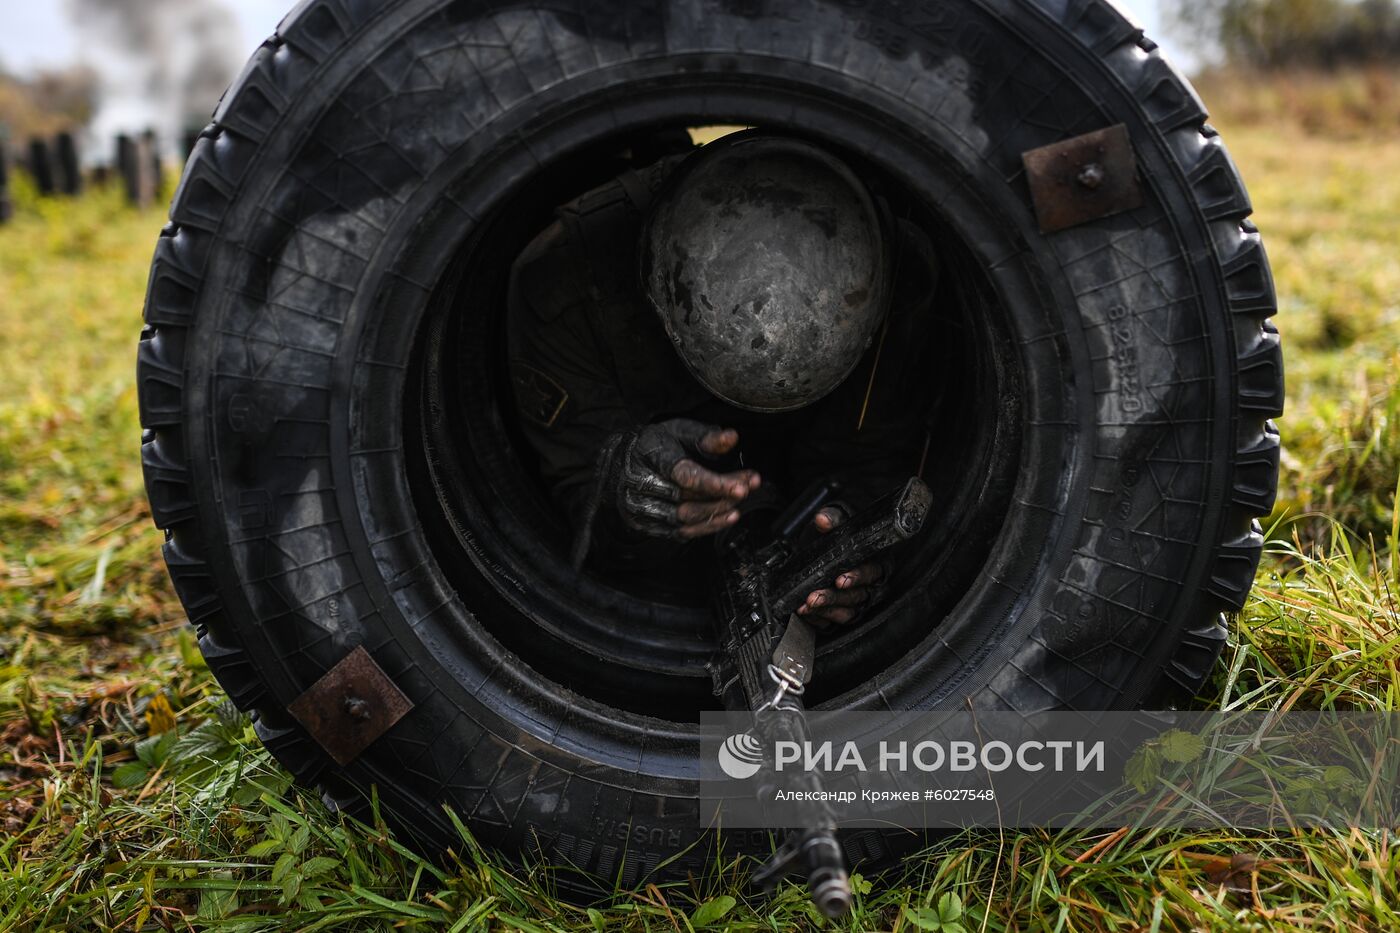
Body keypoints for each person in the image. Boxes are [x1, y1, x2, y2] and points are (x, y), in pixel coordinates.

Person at [507, 131, 941, 627]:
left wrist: (845, 544)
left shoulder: (898, 274)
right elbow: (577, 504)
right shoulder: (562, 277)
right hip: (659, 565)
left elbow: (871, 458)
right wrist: (624, 481)